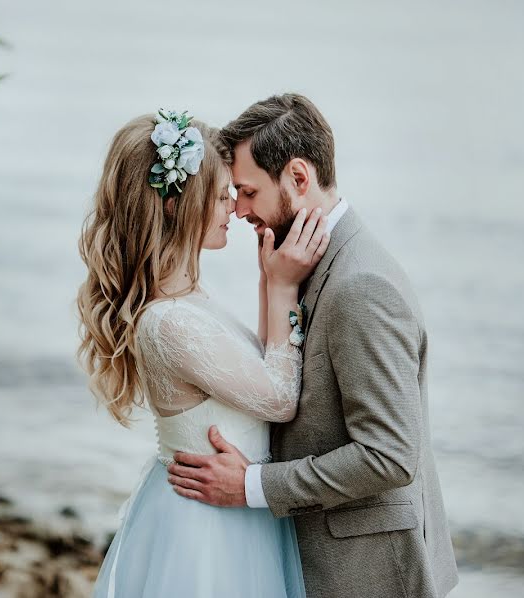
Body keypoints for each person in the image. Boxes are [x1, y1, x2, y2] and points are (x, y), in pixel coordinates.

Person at [167, 94, 460, 598]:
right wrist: (273, 286)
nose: (237, 210)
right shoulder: (304, 259)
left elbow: (390, 455)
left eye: (247, 191)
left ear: (298, 178)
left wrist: (252, 486)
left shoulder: (360, 285)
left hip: (368, 572)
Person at [77, 109, 329, 597]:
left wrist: (266, 281)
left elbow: (255, 370)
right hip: (205, 532)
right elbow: (278, 398)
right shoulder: (168, 322)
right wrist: (282, 289)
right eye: (218, 197)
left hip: (229, 513)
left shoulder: (186, 299)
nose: (233, 210)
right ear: (176, 207)